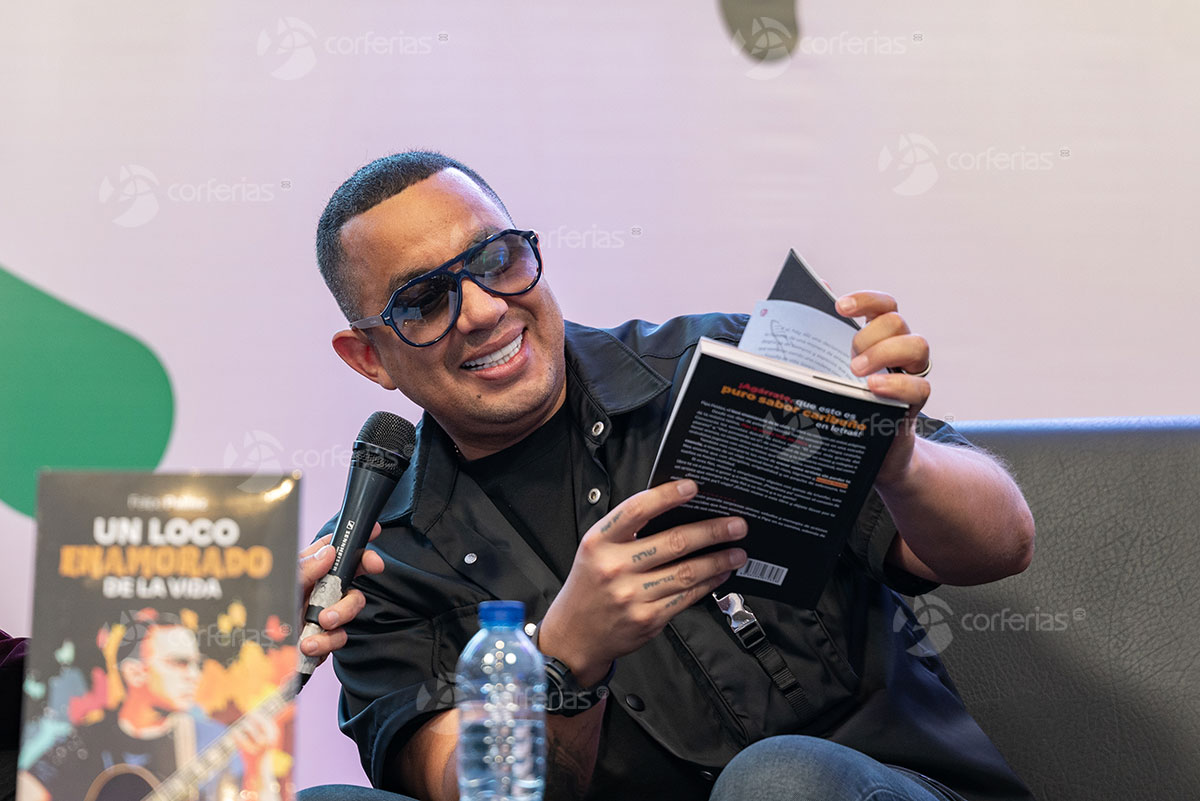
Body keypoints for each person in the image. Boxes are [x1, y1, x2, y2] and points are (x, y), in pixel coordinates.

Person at [299, 151, 1038, 801]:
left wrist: (901, 462)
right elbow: (471, 789)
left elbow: (1001, 547)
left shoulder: (723, 370)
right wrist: (565, 659)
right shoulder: (375, 562)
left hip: (859, 785)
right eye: (424, 301)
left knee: (777, 780)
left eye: (496, 261)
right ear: (368, 358)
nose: (485, 310)